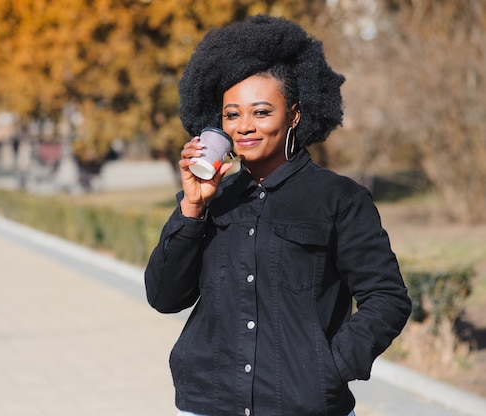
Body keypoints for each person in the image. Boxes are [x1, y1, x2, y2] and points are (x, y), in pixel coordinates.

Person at [144, 15, 411, 416]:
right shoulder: (210, 199)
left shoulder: (339, 198)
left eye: (261, 112)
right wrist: (192, 207)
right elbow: (164, 298)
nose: (244, 127)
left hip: (304, 406)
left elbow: (387, 298)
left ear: (295, 115)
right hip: (208, 404)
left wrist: (330, 368)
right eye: (232, 115)